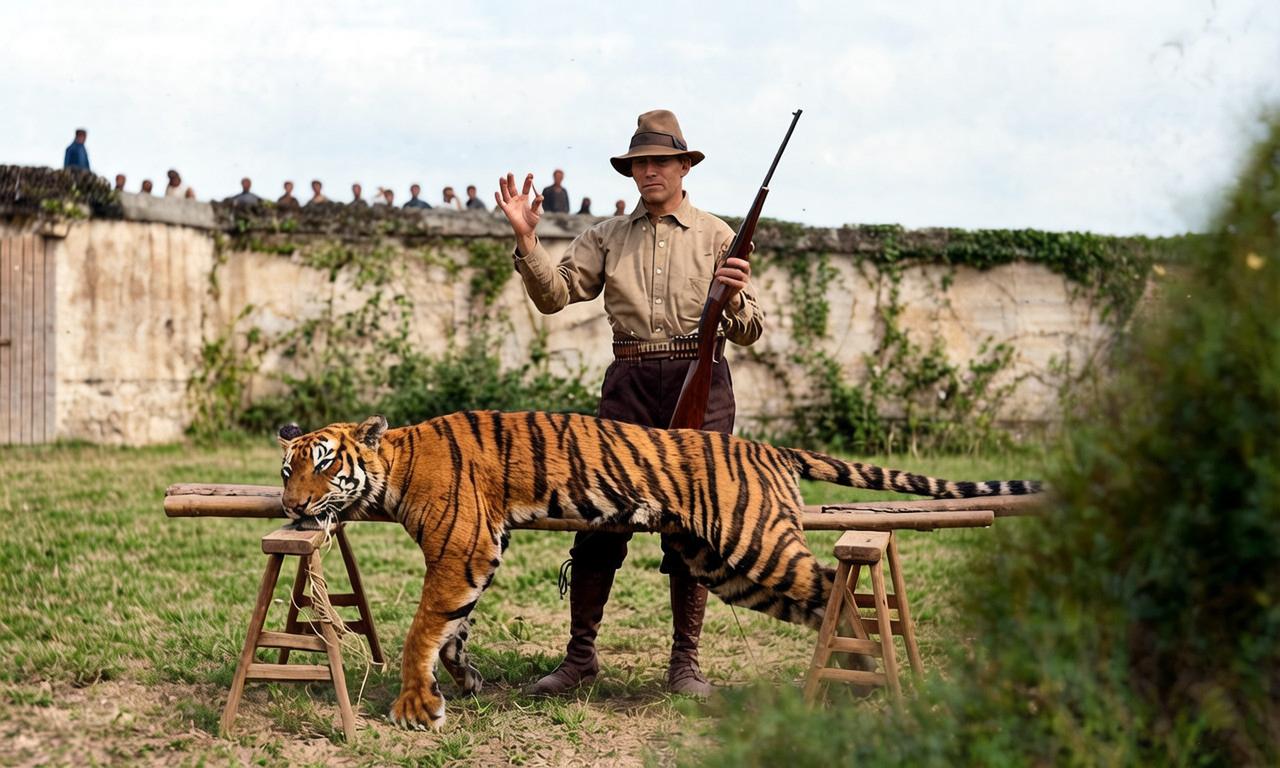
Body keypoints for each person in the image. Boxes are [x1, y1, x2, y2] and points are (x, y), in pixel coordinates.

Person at [495, 109, 762, 698]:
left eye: (660, 161)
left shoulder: (720, 236)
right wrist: (527, 239)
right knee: (599, 514)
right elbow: (555, 295)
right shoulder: (606, 237)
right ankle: (580, 657)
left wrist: (736, 297)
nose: (649, 172)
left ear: (683, 167)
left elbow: (750, 331)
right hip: (631, 383)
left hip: (703, 381)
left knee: (693, 520)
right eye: (640, 163)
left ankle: (685, 663)